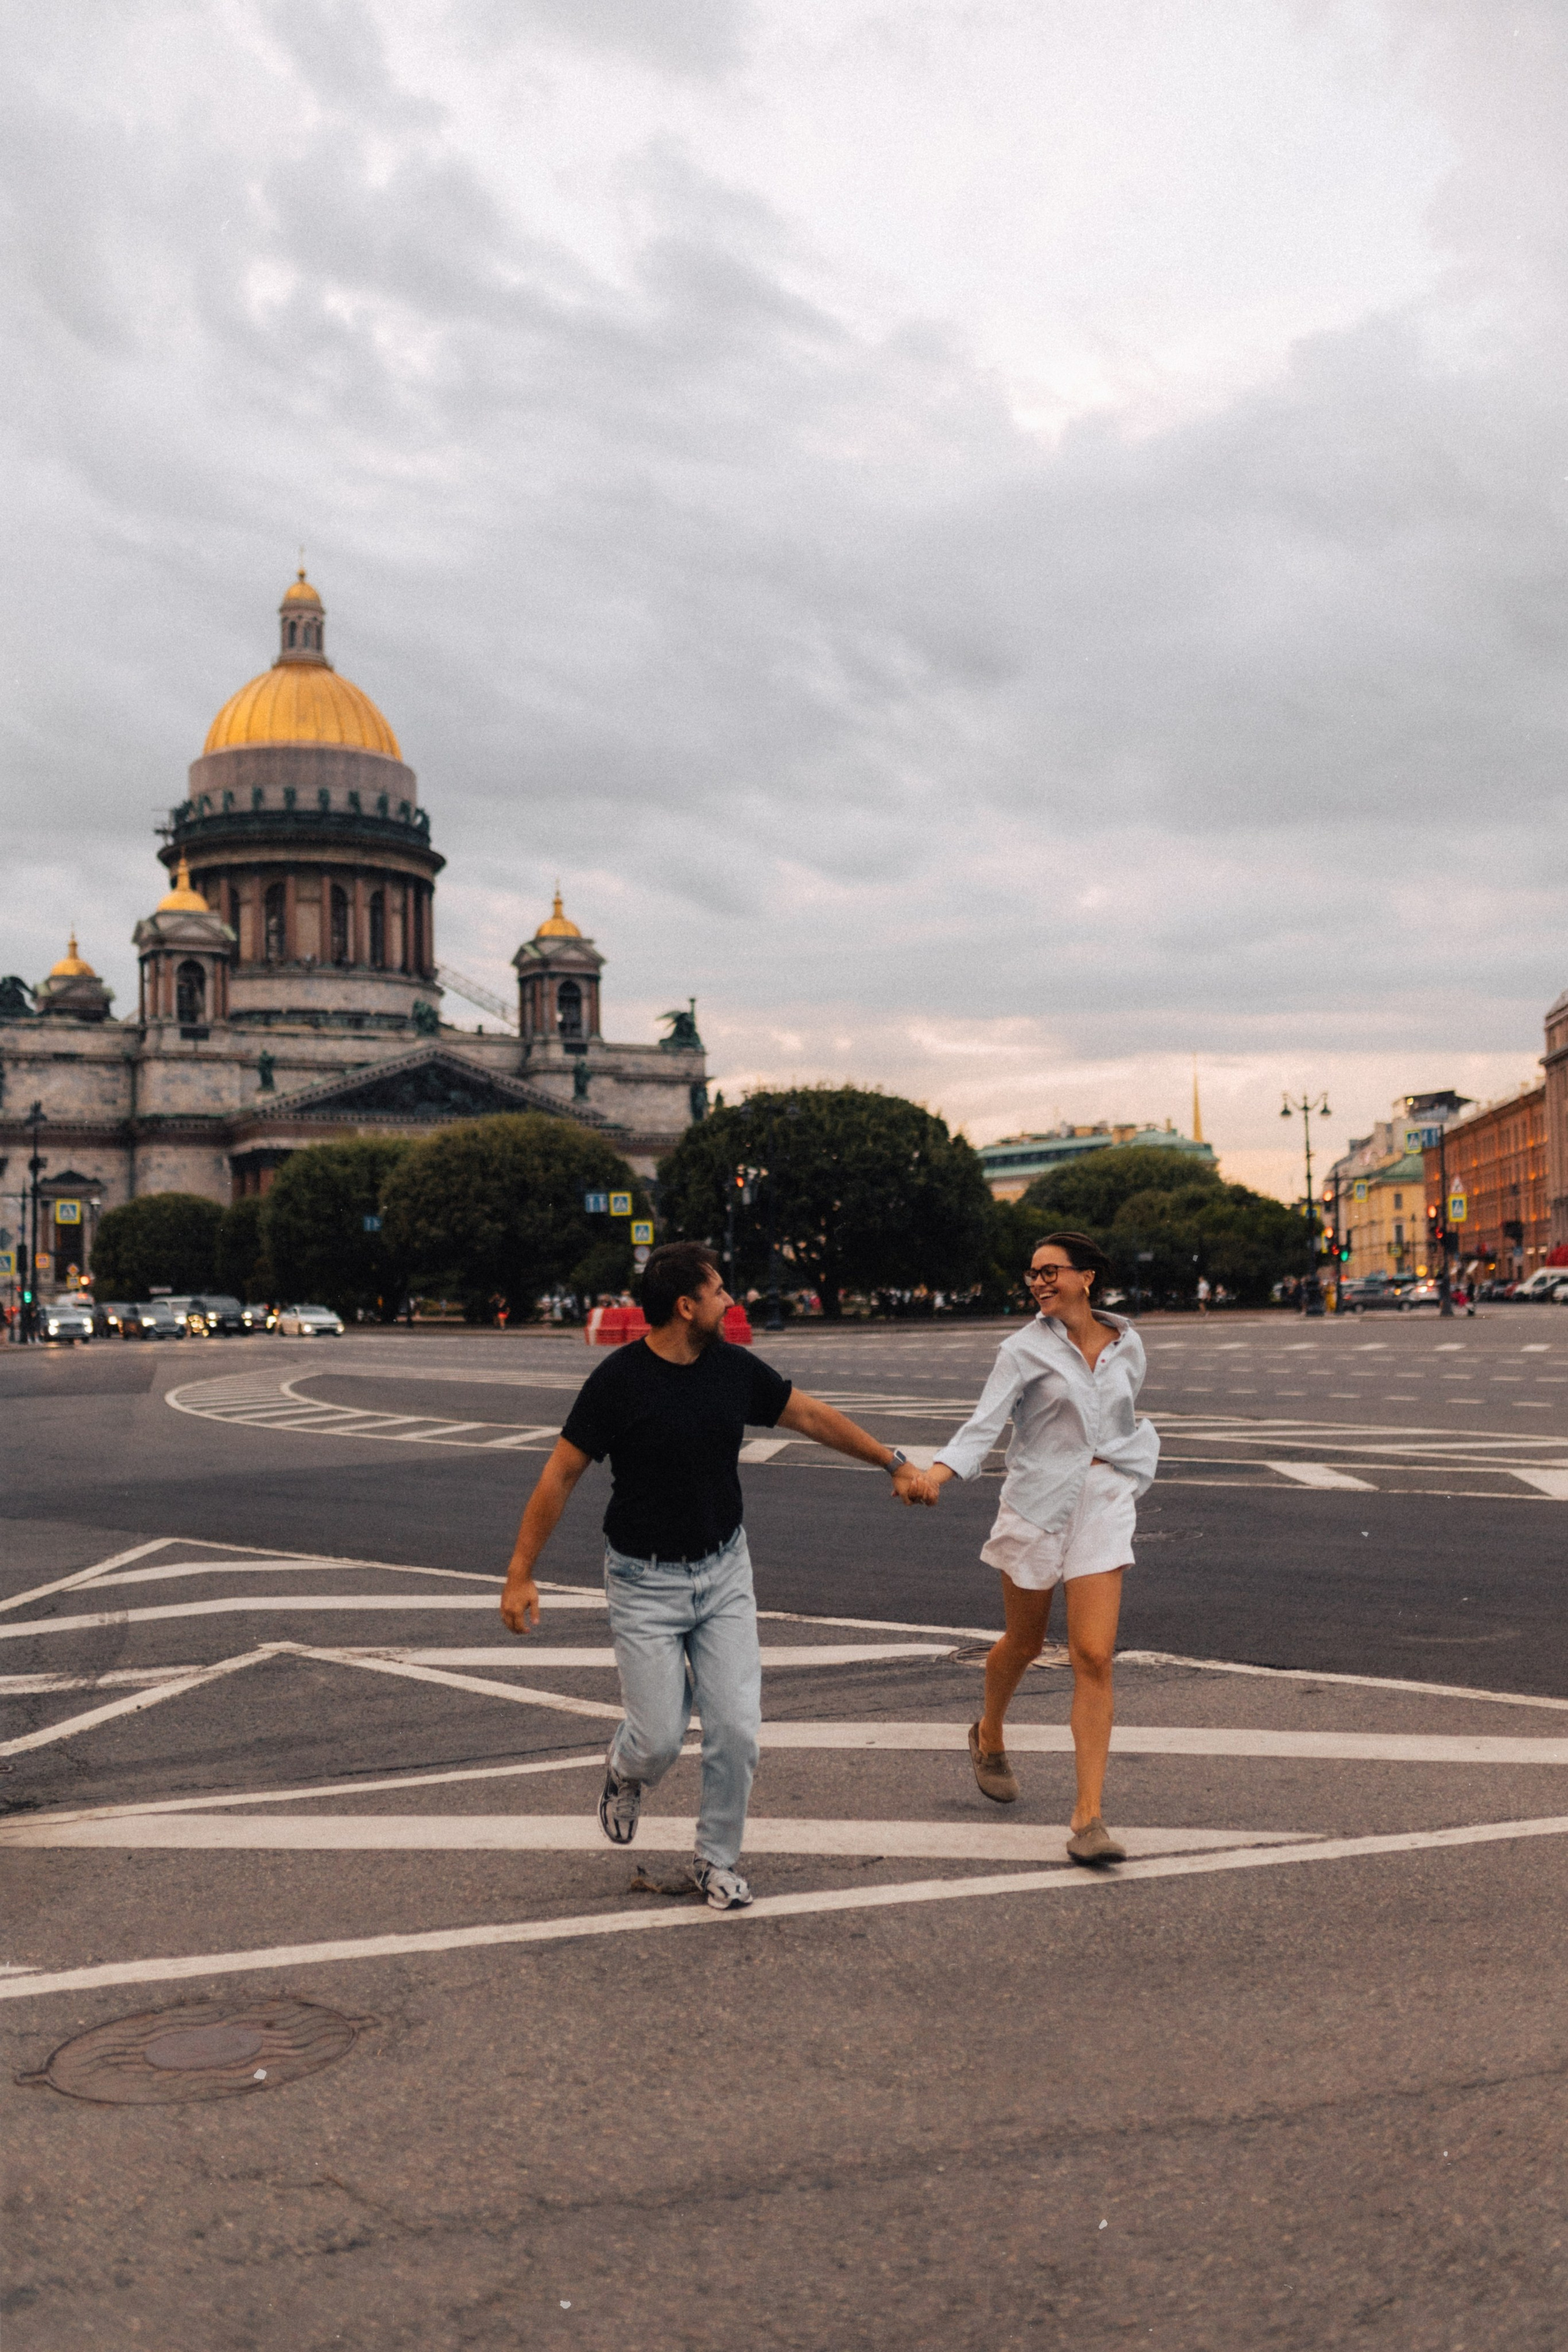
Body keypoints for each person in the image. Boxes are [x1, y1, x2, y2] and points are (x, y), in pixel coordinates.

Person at [500, 1241, 935, 1909]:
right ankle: (625, 1771)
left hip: (724, 1569)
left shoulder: (731, 1369)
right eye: (718, 1292)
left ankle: (715, 1860)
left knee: (736, 1728)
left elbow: (810, 1415)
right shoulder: (619, 1382)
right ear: (685, 1306)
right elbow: (560, 1474)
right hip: (643, 1582)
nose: (731, 1301)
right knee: (657, 1741)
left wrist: (892, 1461)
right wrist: (520, 1573)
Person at [924, 1231, 1158, 1865]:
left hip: (1102, 1500)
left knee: (1092, 1655)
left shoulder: (1127, 1346)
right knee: (1024, 1643)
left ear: (1086, 1278)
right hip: (1035, 1502)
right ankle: (990, 1732)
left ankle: (1088, 1819)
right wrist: (937, 1475)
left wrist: (1126, 1470)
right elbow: (984, 1424)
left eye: (1050, 1272)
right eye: (1032, 1274)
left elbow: (1117, 1421)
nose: (1038, 1283)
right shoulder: (1022, 1349)